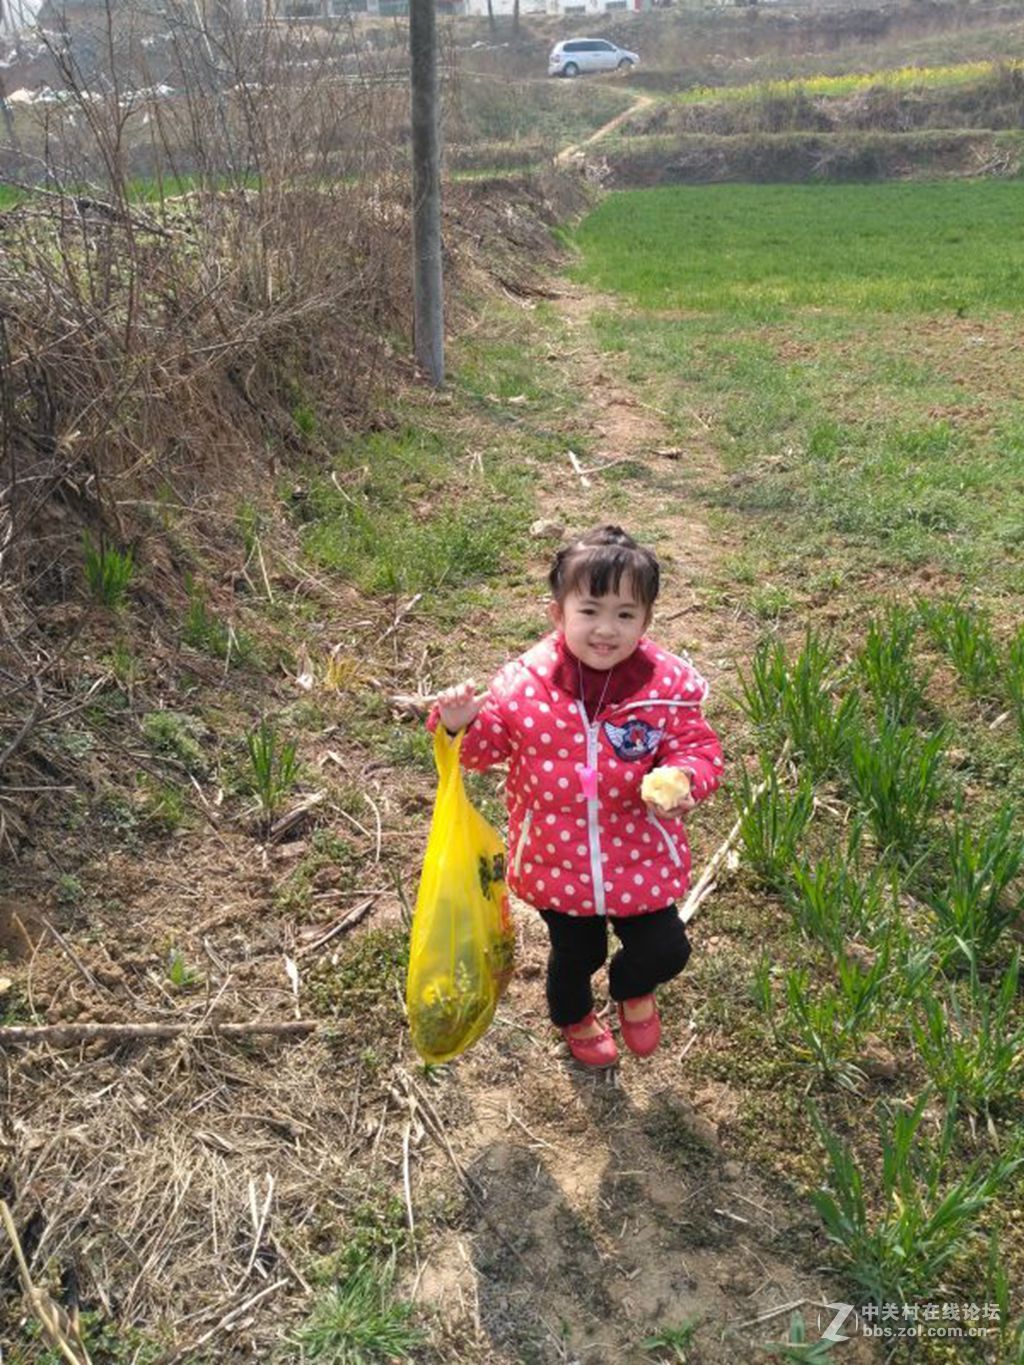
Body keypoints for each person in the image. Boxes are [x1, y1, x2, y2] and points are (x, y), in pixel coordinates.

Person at [428, 525, 723, 1068]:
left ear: (646, 621)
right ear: (557, 614)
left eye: (625, 615)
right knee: (574, 955)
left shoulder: (666, 687)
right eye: (589, 611)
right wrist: (459, 725)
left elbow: (697, 748)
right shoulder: (524, 686)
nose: (606, 630)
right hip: (556, 861)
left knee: (665, 948)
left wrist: (684, 778)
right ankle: (575, 1019)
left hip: (641, 855)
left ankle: (633, 987)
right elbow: (483, 750)